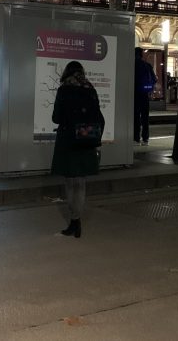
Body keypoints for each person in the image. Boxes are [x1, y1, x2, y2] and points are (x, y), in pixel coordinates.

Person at [50, 61, 104, 239]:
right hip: (87, 139)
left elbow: (56, 118)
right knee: (81, 182)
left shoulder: (64, 89)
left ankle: (73, 221)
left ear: (67, 72)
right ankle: (77, 219)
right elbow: (99, 117)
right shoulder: (90, 89)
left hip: (68, 141)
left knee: (70, 181)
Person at [133, 47, 156, 145]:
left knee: (136, 117)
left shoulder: (132, 65)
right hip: (145, 94)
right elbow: (154, 79)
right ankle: (145, 138)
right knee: (145, 117)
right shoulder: (147, 65)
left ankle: (136, 138)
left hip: (134, 94)